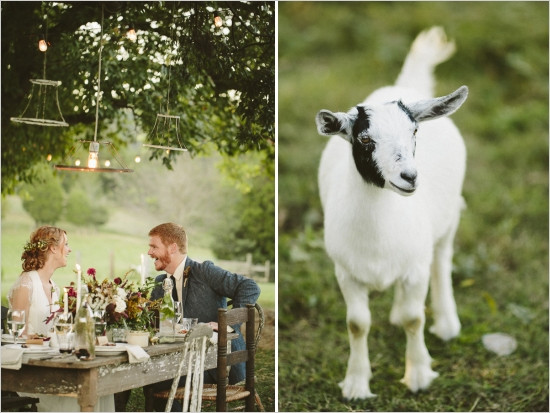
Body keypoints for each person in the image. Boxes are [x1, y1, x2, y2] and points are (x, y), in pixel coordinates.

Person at [147, 222, 261, 411]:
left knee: (159, 379)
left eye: (154, 246)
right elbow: (153, 323)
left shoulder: (204, 272)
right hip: (179, 358)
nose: (149, 252)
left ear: (173, 247)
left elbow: (250, 286)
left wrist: (226, 324)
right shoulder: (160, 282)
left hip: (218, 364)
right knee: (148, 376)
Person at [8, 226, 115, 412]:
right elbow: (18, 335)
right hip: (35, 372)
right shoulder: (26, 283)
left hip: (57, 363)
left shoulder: (54, 287)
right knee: (81, 391)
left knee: (102, 387)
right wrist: (47, 342)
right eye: (66, 244)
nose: (70, 249)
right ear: (53, 248)